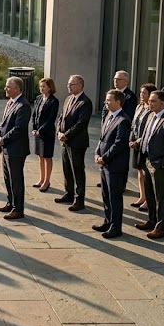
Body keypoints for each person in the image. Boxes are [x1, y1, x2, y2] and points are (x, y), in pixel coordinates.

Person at [137, 90, 164, 239]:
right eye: (150, 101)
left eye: (153, 101)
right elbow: (147, 136)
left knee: (160, 196)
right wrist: (138, 143)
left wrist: (163, 165)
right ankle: (151, 220)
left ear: (162, 103)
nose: (150, 103)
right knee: (149, 193)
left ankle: (162, 227)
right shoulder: (150, 116)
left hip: (158, 165)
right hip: (148, 160)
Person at [93, 90, 132, 239]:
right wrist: (97, 153)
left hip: (114, 166)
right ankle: (107, 221)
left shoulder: (123, 120)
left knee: (114, 197)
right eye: (106, 100)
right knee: (105, 195)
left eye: (109, 100)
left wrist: (105, 158)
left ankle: (116, 227)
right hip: (104, 164)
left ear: (118, 102)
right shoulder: (109, 116)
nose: (106, 102)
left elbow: (119, 144)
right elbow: (102, 138)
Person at [54, 75, 93, 212]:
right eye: (68, 84)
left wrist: (67, 135)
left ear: (80, 86)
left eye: (72, 84)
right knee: (66, 168)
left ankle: (79, 199)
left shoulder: (85, 102)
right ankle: (69, 193)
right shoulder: (68, 99)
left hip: (76, 142)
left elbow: (81, 123)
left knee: (77, 170)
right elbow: (61, 117)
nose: (68, 86)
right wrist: (59, 131)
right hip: (64, 141)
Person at [0, 77, 30, 220]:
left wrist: (3, 139)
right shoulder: (10, 102)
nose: (6, 89)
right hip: (6, 148)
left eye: (8, 87)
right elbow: (3, 123)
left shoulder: (23, 106)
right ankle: (10, 203)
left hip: (16, 149)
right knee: (7, 178)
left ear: (17, 89)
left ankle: (18, 209)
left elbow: (19, 129)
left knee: (16, 180)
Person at [128, 84, 157, 214]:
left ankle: (148, 200)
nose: (141, 95)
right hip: (135, 142)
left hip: (145, 144)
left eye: (144, 93)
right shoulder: (139, 107)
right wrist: (131, 139)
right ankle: (142, 196)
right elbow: (134, 124)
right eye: (141, 93)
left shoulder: (152, 111)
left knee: (145, 173)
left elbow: (149, 130)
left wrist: (138, 141)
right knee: (139, 171)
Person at [30, 77, 59, 192]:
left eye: (44, 86)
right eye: (40, 86)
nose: (41, 88)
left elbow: (51, 119)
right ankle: (41, 179)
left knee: (47, 156)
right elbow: (34, 115)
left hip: (47, 133)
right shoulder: (38, 99)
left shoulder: (53, 101)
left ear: (50, 88)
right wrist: (33, 129)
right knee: (40, 156)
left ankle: (47, 181)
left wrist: (40, 131)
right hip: (38, 133)